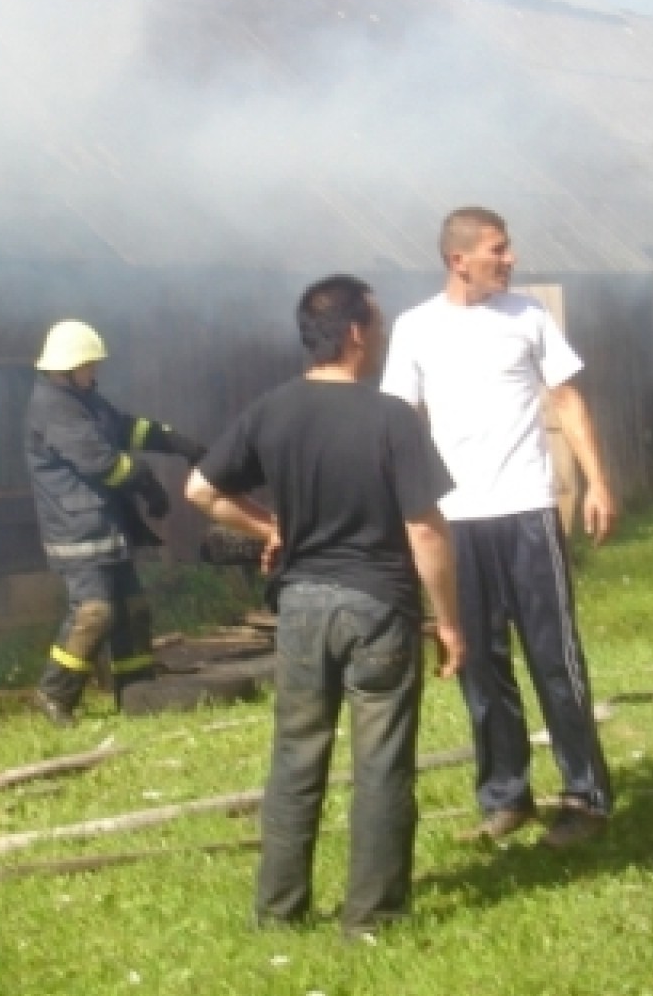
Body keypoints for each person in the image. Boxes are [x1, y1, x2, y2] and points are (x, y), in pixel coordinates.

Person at [187, 275, 463, 933]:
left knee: (296, 756)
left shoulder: (271, 411)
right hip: (378, 608)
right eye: (379, 318)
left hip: (302, 608)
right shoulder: (391, 417)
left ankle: (279, 912)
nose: (385, 327)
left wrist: (268, 527)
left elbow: (200, 489)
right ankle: (372, 916)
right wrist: (450, 620)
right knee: (382, 763)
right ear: (357, 332)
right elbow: (425, 529)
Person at [381, 206, 617, 848]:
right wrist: (404, 510)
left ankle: (585, 797)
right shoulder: (415, 329)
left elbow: (567, 399)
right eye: (497, 249)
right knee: (480, 665)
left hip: (527, 511)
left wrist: (596, 482)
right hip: (456, 520)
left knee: (555, 660)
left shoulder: (529, 317)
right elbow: (401, 422)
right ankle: (506, 796)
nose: (510, 260)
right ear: (459, 260)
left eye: (507, 249)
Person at [25, 319, 207, 725]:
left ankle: (136, 690)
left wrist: (176, 442)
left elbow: (124, 428)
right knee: (95, 613)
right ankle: (54, 694)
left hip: (106, 527)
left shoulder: (83, 399)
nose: (94, 373)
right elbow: (99, 460)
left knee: (132, 609)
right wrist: (147, 483)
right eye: (89, 366)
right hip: (78, 532)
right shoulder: (53, 408)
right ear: (67, 368)